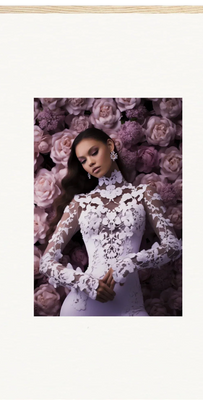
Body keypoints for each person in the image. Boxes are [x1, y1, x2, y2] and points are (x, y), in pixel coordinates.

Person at [39, 127, 182, 316]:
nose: (90, 162)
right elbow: (46, 262)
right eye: (84, 160)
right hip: (83, 307)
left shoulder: (143, 194)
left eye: (94, 152)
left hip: (129, 307)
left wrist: (130, 262)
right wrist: (86, 283)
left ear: (109, 146)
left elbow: (173, 246)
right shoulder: (80, 203)